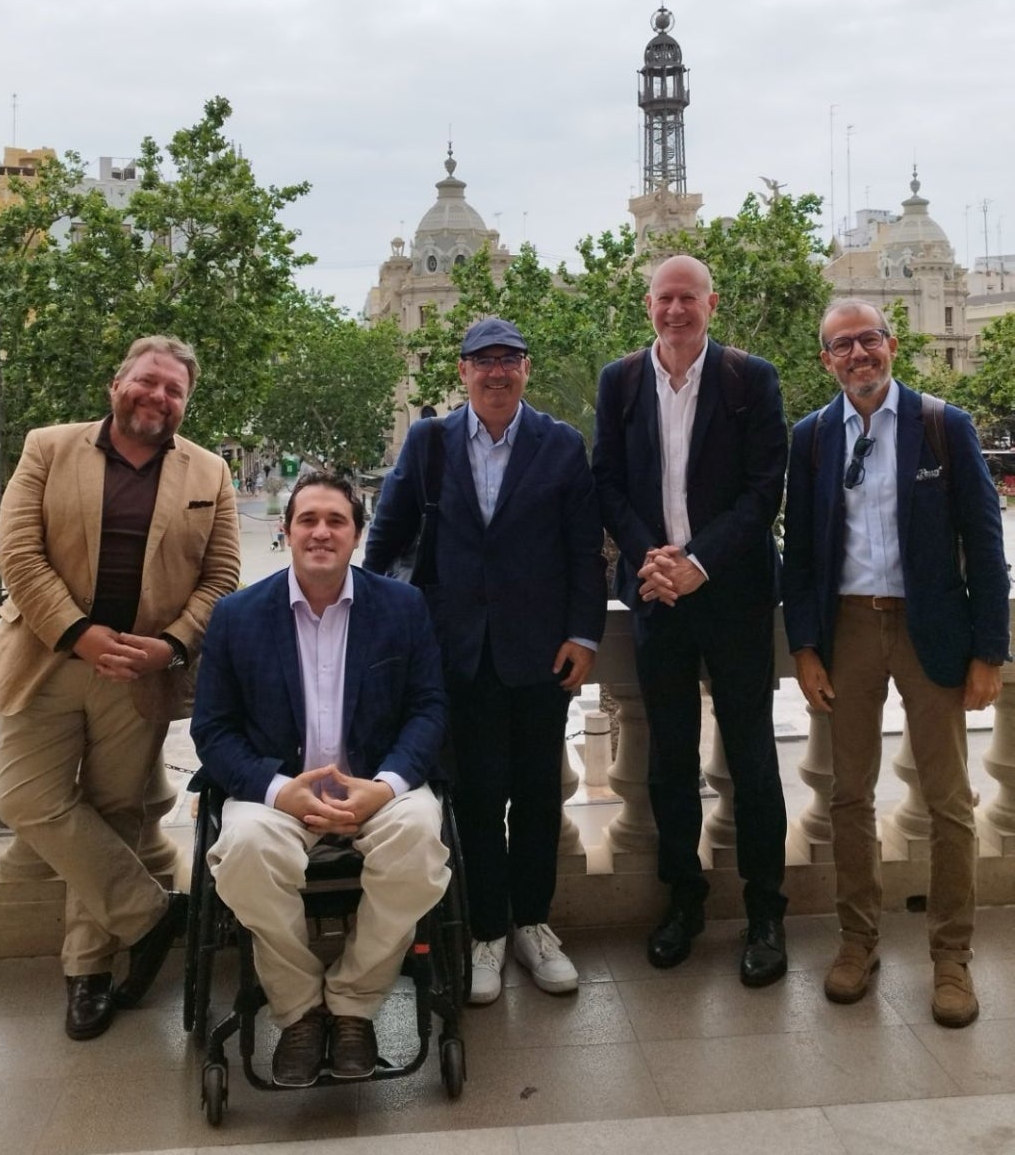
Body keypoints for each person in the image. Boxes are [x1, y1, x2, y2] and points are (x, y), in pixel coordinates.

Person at [0, 335, 240, 1040]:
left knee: (117, 810)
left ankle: (88, 972)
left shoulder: (210, 471)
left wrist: (171, 645)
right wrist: (79, 633)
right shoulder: (48, 447)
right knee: (23, 797)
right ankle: (153, 914)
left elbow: (221, 577)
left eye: (174, 390)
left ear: (185, 404)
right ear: (117, 383)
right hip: (47, 659)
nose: (158, 397)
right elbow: (18, 554)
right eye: (148, 381)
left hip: (141, 673)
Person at [364, 317, 607, 1005]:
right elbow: (386, 538)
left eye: (509, 360)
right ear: (464, 371)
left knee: (537, 795)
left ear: (526, 369)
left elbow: (584, 551)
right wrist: (369, 625)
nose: (497, 372)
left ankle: (533, 925)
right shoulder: (430, 442)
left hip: (540, 654)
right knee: (474, 797)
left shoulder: (560, 444)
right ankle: (486, 932)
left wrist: (584, 636)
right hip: (454, 653)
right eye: (483, 361)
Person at [782, 298, 1011, 1027]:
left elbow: (986, 545)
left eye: (869, 339)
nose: (859, 354)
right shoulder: (812, 438)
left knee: (949, 802)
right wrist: (805, 648)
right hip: (848, 627)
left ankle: (951, 955)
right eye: (842, 345)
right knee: (849, 796)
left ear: (892, 344)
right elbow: (800, 554)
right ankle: (857, 941)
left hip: (930, 629)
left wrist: (990, 652)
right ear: (826, 360)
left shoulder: (943, 425)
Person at [191, 472, 450, 1086]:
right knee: (245, 851)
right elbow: (214, 730)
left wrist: (385, 786)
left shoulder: (402, 607)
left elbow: (428, 709)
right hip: (275, 790)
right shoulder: (236, 616)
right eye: (307, 519)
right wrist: (280, 790)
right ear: (286, 532)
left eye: (336, 520)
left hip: (377, 786)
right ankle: (301, 1009)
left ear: (357, 534)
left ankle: (355, 1002)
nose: (321, 532)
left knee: (420, 842)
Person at [592, 255, 789, 986]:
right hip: (657, 596)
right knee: (668, 759)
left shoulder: (750, 378)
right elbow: (607, 481)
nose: (675, 310)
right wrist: (652, 558)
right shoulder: (620, 382)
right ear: (648, 305)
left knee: (752, 757)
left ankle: (766, 911)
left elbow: (765, 487)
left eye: (688, 298)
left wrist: (699, 563)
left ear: (713, 303)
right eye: (664, 298)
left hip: (733, 596)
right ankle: (684, 899)